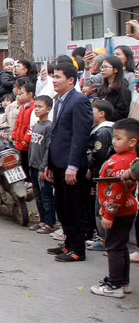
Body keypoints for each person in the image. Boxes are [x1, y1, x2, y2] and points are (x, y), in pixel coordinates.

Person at [46, 61, 94, 262]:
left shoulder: (79, 101)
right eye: (53, 77)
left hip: (71, 165)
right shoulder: (60, 100)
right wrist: (49, 163)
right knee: (62, 206)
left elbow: (80, 136)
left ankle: (77, 249)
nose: (54, 81)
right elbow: (56, 135)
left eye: (58, 77)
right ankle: (68, 243)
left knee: (73, 208)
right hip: (57, 163)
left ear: (71, 80)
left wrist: (73, 165)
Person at [90, 118, 138, 298]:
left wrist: (109, 214)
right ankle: (123, 281)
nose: (114, 141)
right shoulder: (128, 159)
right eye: (114, 138)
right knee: (121, 246)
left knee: (114, 248)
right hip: (127, 210)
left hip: (118, 212)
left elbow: (117, 191)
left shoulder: (122, 162)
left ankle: (114, 284)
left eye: (118, 138)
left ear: (132, 141)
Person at [85, 100, 115, 251]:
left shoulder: (103, 132)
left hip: (102, 175)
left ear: (102, 114)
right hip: (101, 174)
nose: (91, 114)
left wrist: (89, 161)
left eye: (93, 110)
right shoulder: (106, 130)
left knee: (100, 208)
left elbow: (99, 154)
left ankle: (104, 240)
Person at [29, 96, 56, 234]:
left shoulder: (49, 127)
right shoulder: (36, 126)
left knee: (46, 196)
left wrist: (43, 168)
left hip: (42, 168)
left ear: (49, 109)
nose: (37, 109)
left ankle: (50, 223)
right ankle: (42, 220)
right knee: (38, 196)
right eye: (35, 106)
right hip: (33, 165)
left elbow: (48, 149)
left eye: (40, 107)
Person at [12, 82, 35, 178]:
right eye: (19, 94)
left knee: (27, 164)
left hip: (26, 143)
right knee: (21, 164)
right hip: (19, 141)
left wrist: (26, 139)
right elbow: (17, 123)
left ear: (30, 94)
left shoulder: (33, 107)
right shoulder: (22, 107)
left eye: (22, 94)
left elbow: (32, 125)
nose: (19, 96)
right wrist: (14, 136)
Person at [98, 56, 131, 121]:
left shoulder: (123, 91)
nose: (102, 70)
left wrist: (104, 111)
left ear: (116, 70)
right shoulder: (102, 88)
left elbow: (122, 114)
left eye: (106, 67)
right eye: (102, 67)